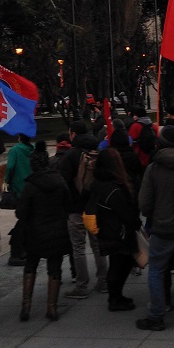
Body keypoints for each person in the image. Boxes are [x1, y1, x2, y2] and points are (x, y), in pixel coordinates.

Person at [136, 125, 174, 331]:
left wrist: (155, 214)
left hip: (162, 227)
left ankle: (157, 315)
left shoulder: (153, 169)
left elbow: (144, 203)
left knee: (156, 270)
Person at [14, 143, 71, 321]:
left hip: (35, 232)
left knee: (30, 266)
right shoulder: (60, 181)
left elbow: (21, 213)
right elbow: (68, 205)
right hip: (57, 231)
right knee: (54, 269)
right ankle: (52, 307)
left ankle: (26, 305)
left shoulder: (30, 186)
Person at [87, 148, 141, 312]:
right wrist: (135, 222)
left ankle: (116, 296)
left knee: (119, 264)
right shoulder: (113, 186)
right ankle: (115, 298)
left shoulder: (100, 182)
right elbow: (124, 211)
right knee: (119, 265)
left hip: (109, 229)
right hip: (118, 231)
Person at [59, 120, 107, 299]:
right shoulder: (98, 151)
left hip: (76, 207)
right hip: (95, 206)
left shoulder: (70, 156)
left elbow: (63, 183)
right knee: (98, 245)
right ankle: (103, 282)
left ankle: (82, 285)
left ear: (72, 134)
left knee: (78, 247)